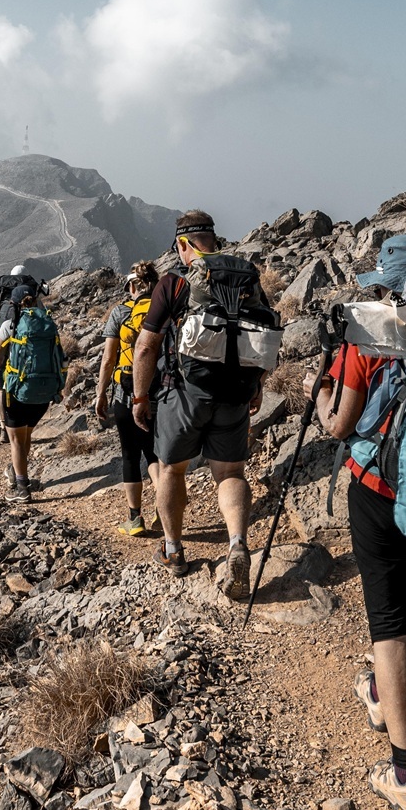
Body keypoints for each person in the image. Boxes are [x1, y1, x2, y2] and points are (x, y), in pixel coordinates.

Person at [306, 233, 406, 810]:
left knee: (389, 630)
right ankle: (385, 695)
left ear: (385, 286)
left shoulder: (366, 335)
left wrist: (320, 397)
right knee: (402, 609)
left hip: (380, 492)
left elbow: (339, 427)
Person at [130, 211, 273, 589]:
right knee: (230, 473)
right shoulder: (247, 276)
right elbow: (265, 334)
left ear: (181, 245)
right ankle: (238, 544)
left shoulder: (174, 283)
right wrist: (256, 385)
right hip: (236, 392)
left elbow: (146, 347)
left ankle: (174, 549)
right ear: (213, 238)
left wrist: (140, 396)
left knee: (173, 469)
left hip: (185, 394)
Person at [95, 261, 159, 535]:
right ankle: (164, 508)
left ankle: (134, 519)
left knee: (130, 455)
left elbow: (109, 359)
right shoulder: (163, 311)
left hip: (125, 392)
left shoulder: (120, 312)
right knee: (155, 453)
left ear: (132, 286)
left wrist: (101, 394)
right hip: (159, 392)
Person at [0, 282, 64, 501]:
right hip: (44, 391)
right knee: (26, 434)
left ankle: (21, 488)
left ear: (13, 304)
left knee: (17, 441)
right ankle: (18, 472)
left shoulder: (10, 326)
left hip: (17, 391)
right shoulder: (49, 324)